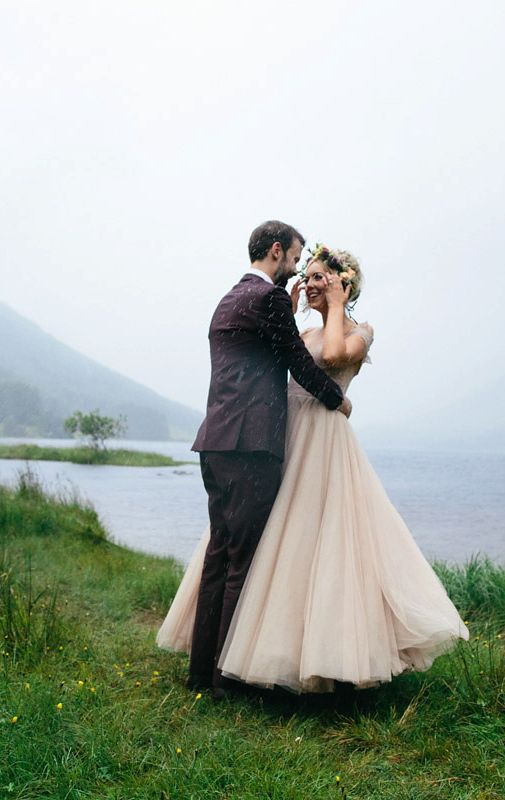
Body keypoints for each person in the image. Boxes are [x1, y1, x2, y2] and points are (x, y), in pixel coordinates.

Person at [159, 243, 468, 693]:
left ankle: (321, 656)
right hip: (286, 437)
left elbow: (338, 356)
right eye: (310, 275)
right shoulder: (301, 335)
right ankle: (243, 653)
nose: (311, 282)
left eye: (321, 276)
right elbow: (288, 365)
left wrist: (338, 308)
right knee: (270, 543)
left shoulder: (362, 331)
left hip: (323, 444)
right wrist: (291, 308)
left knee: (318, 541)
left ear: (344, 284)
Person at [180, 221, 352, 696]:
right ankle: (224, 680)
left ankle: (199, 673)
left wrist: (287, 316)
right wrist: (337, 401)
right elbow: (298, 360)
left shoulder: (228, 299)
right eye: (296, 259)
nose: (297, 270)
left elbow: (261, 356)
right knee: (243, 560)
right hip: (251, 446)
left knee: (219, 554)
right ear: (277, 251)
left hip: (214, 442)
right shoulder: (270, 299)